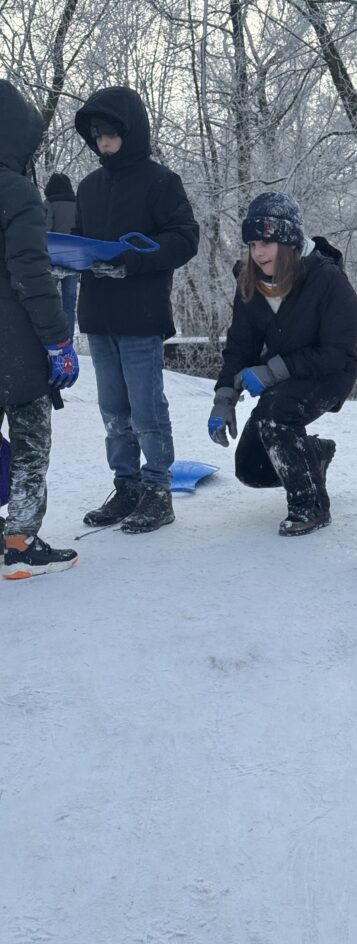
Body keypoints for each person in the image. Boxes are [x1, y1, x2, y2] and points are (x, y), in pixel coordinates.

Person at [73, 86, 199, 533]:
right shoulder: (88, 187)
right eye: (96, 135)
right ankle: (125, 486)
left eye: (110, 133)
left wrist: (136, 257)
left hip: (140, 316)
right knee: (113, 410)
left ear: (131, 130)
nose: (103, 142)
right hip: (98, 315)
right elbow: (78, 241)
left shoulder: (160, 182)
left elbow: (186, 238)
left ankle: (157, 491)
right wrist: (65, 257)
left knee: (146, 409)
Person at [209, 192, 357, 536]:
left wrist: (272, 371)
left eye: (267, 241)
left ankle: (311, 507)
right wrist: (223, 399)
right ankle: (314, 454)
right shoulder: (250, 282)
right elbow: (240, 347)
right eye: (251, 243)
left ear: (289, 241)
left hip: (329, 374)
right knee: (251, 467)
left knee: (277, 415)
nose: (258, 252)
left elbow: (336, 352)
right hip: (284, 378)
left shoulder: (327, 279)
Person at [0, 79, 79, 580]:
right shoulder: (17, 192)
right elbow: (31, 272)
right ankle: (21, 542)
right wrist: (58, 341)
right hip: (14, 346)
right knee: (30, 440)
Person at [43, 172, 78, 338]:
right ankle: (68, 338)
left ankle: (51, 336)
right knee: (69, 303)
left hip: (54, 258)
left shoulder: (49, 204)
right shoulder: (78, 204)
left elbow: (46, 231)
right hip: (74, 259)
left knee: (48, 298)